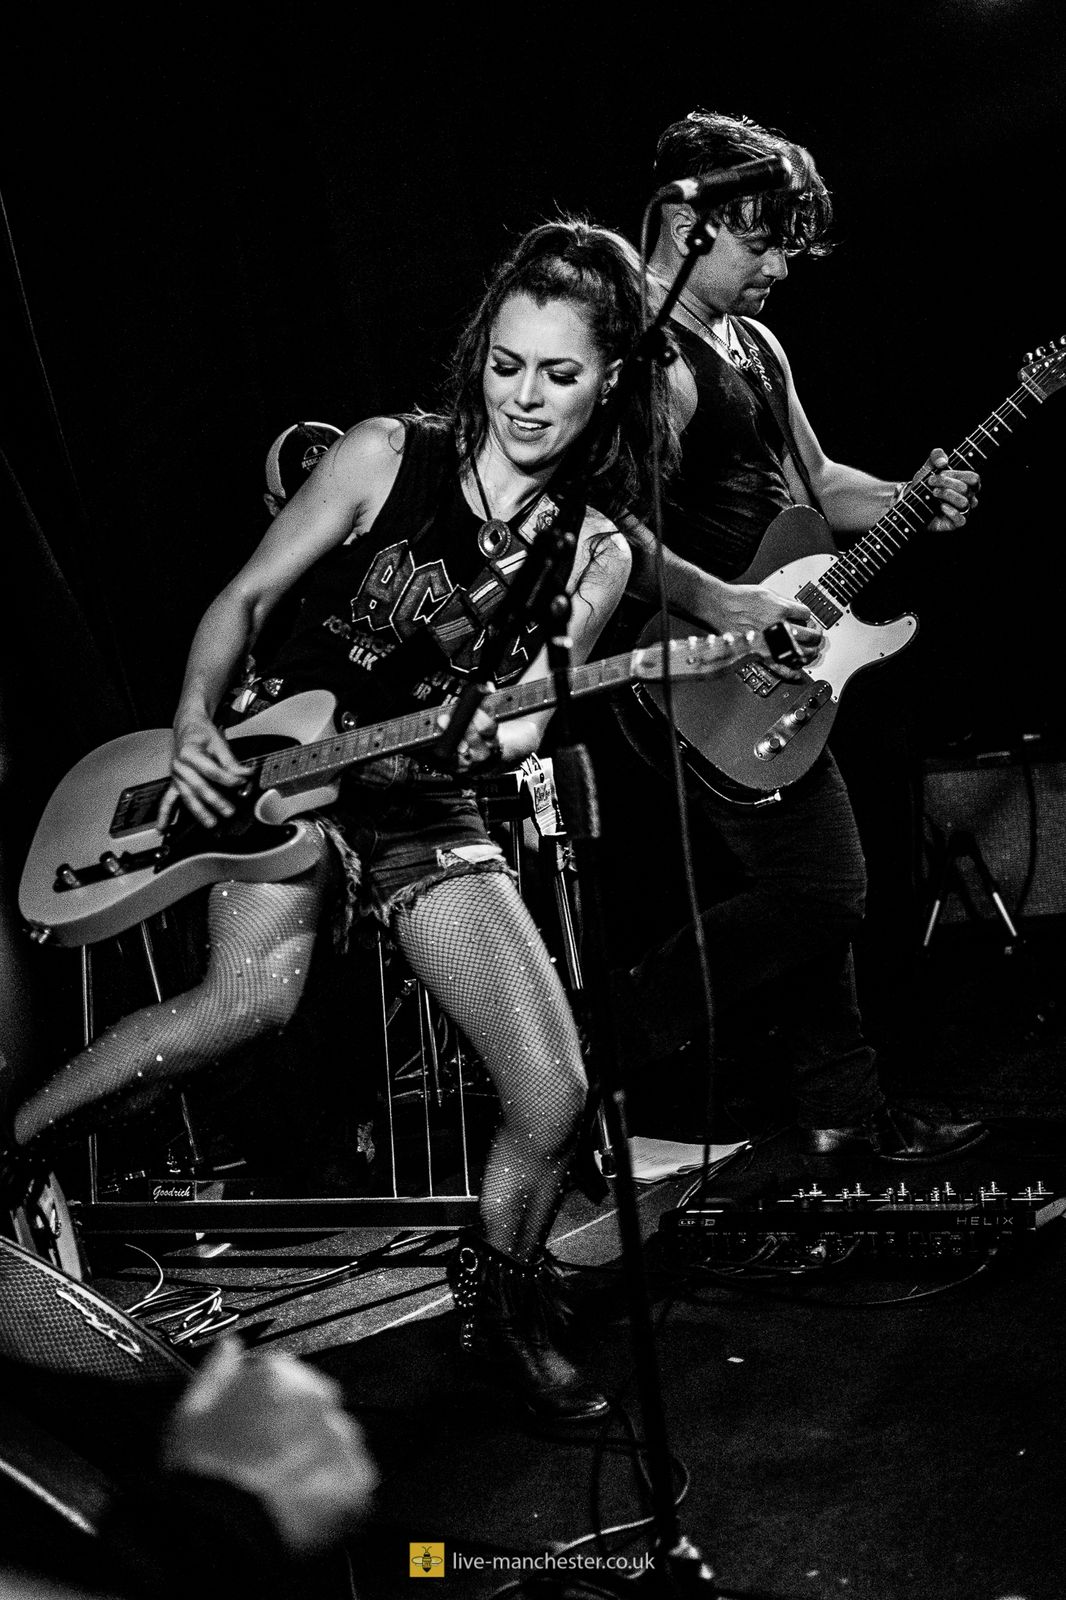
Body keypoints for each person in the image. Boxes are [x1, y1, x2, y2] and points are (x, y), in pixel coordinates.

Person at [3, 219, 680, 1423]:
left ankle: (499, 1297)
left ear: (609, 381)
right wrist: (196, 718)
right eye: (506, 365)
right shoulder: (384, 453)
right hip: (283, 766)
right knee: (247, 1000)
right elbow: (246, 596)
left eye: (558, 373)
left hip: (423, 794)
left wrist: (495, 735)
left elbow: (533, 708)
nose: (524, 398)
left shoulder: (595, 553)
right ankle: (17, 1145)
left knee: (550, 1086)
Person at [605, 109, 987, 1167]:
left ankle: (842, 1114)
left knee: (811, 894)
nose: (779, 267)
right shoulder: (649, 357)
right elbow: (610, 527)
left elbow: (816, 485)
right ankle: (604, 1039)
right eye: (759, 242)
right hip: (697, 672)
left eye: (786, 245)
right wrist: (726, 609)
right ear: (686, 225)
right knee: (822, 888)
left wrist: (912, 495)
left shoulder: (755, 347)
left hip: (781, 662)